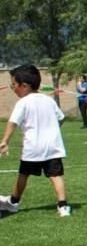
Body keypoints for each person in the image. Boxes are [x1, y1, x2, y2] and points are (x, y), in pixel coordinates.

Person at [0, 65, 72, 218]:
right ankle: (63, 205)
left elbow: (13, 122)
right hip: (53, 146)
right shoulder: (49, 100)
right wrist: (52, 130)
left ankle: (13, 202)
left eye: (14, 84)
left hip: (32, 147)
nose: (12, 88)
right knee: (56, 175)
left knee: (24, 174)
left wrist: (5, 141)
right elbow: (61, 118)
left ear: (24, 86)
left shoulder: (23, 103)